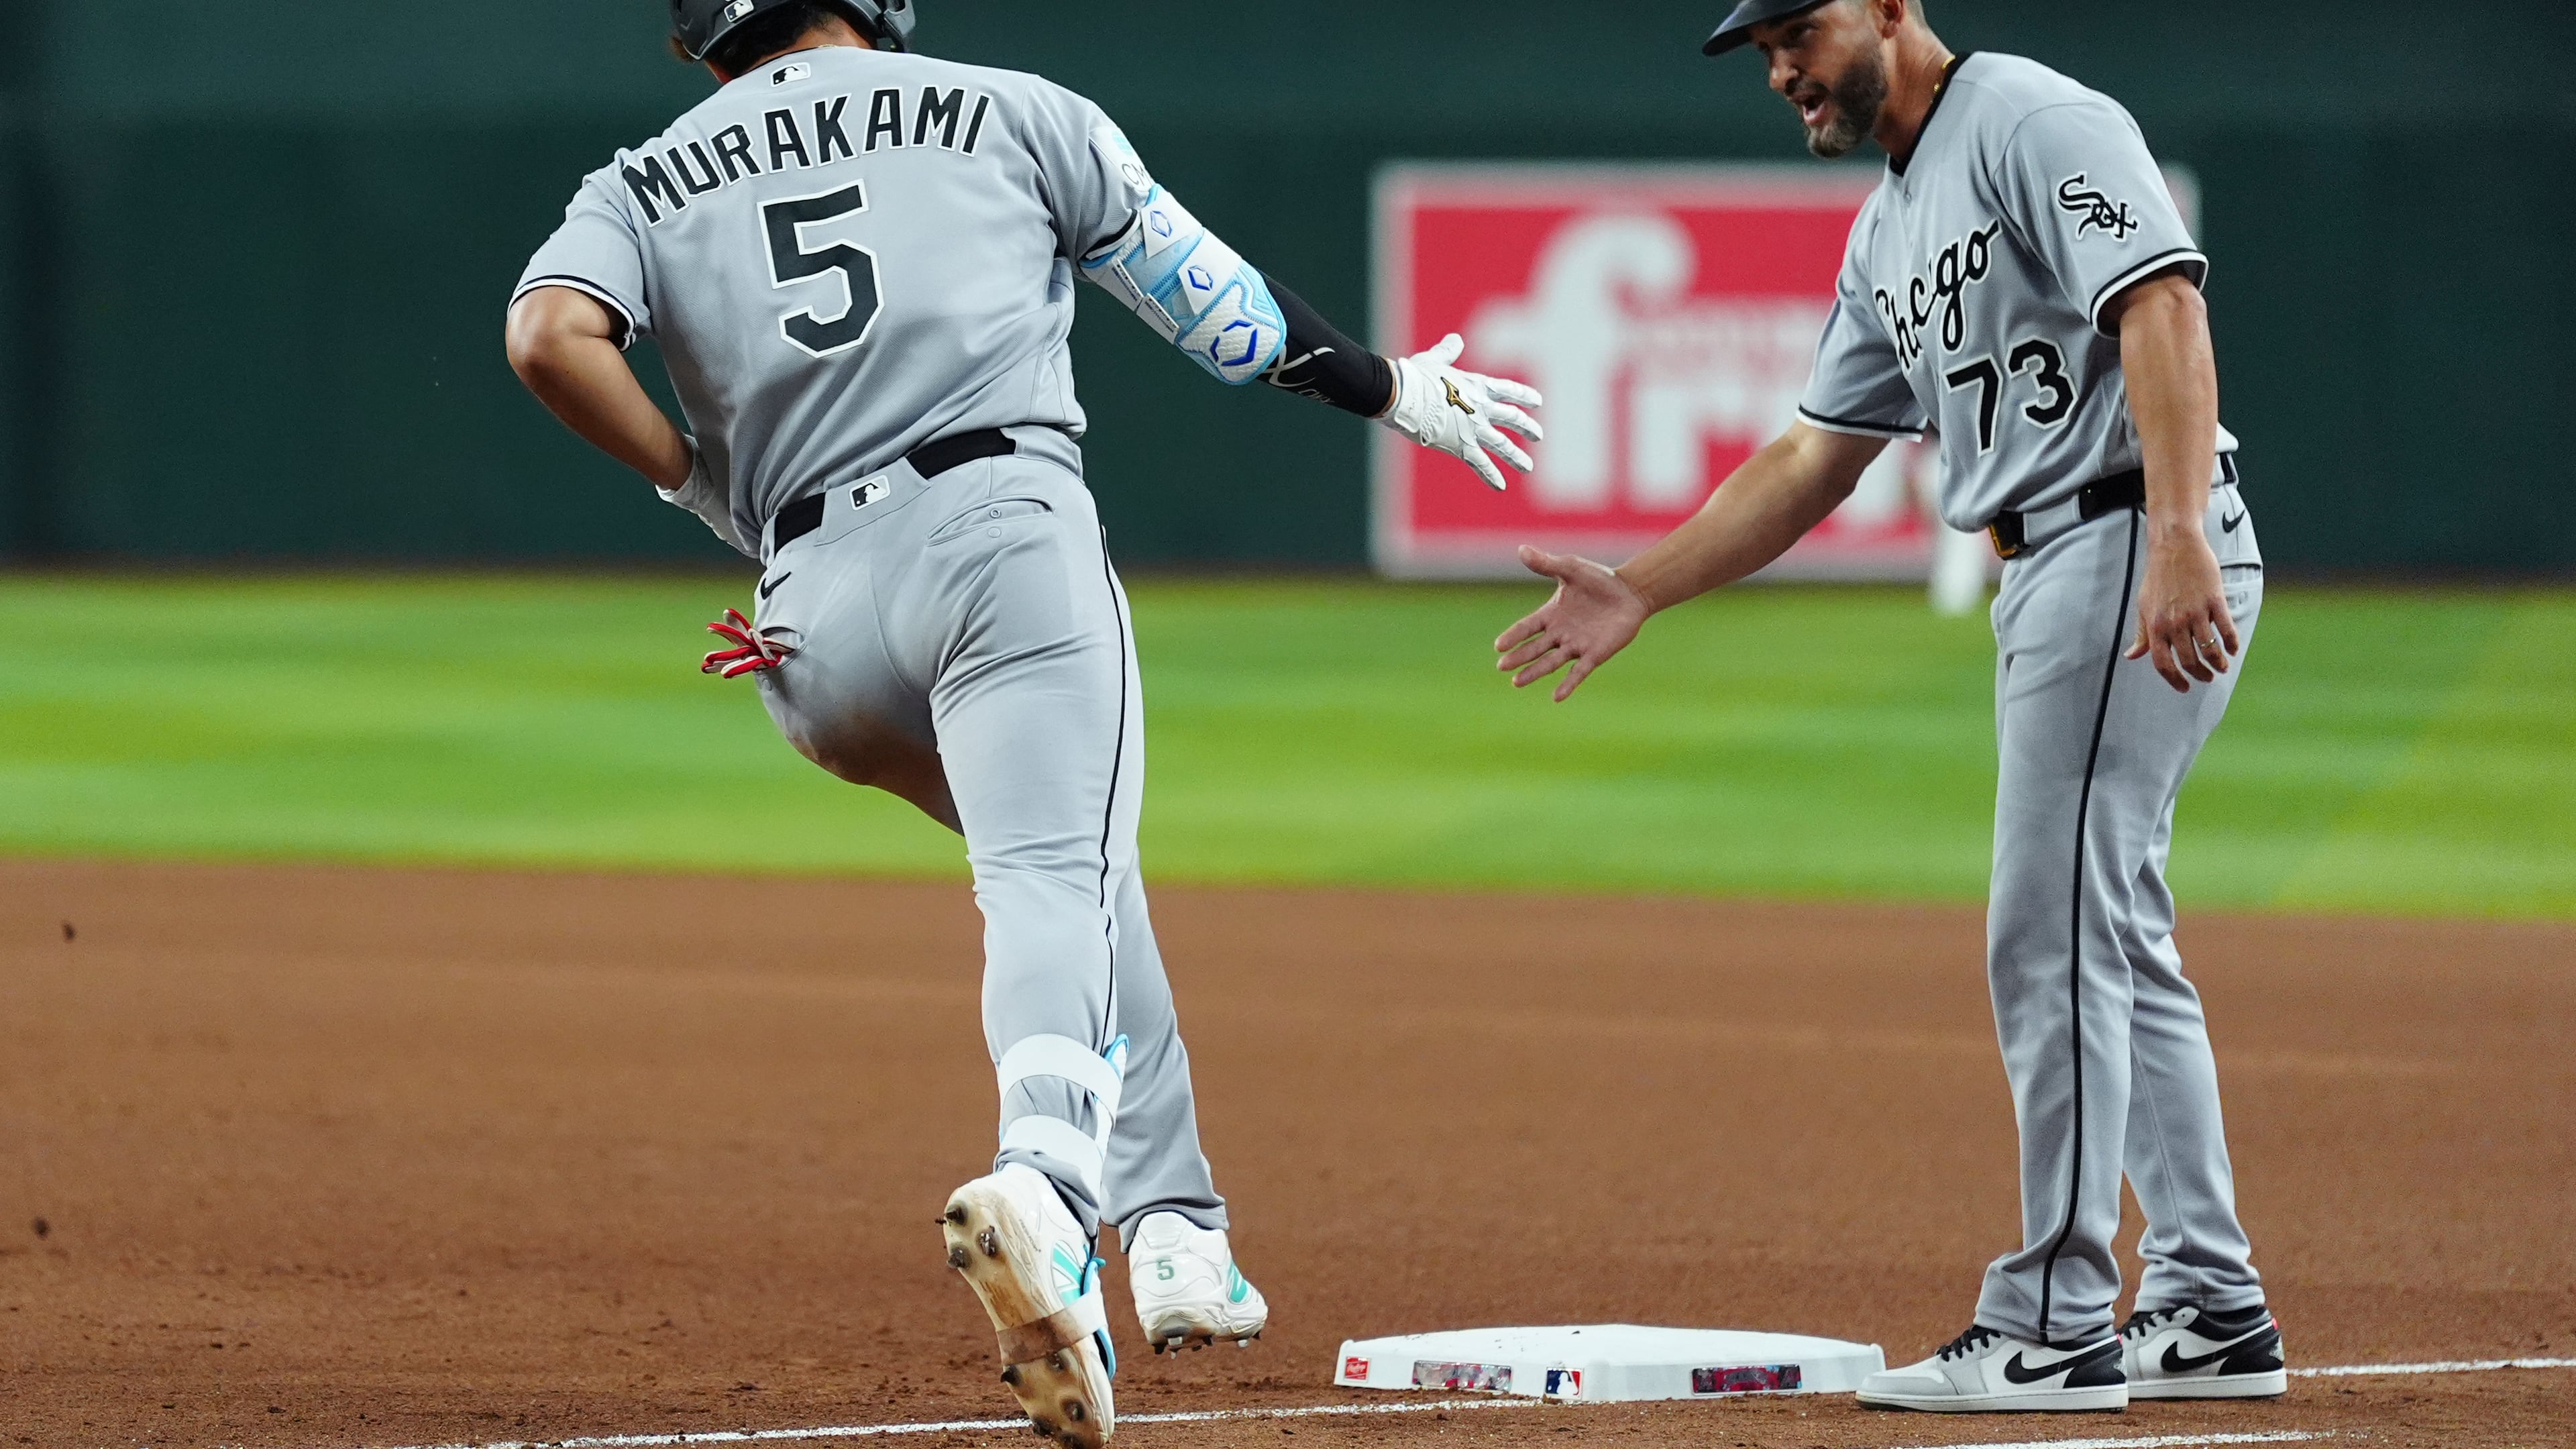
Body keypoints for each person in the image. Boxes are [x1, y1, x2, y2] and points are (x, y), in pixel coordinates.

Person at [502, 3, 1543, 1444]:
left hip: (807, 627)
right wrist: (1396, 387)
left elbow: (550, 336)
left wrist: (697, 483)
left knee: (1078, 868)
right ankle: (1053, 1190)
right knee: (1052, 877)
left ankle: (1180, 1234)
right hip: (995, 532)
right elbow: (1225, 316)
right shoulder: (1005, 107)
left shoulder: (642, 176)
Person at [1494, 0, 2281, 1414]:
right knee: (2110, 932)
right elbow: (1812, 456)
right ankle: (2212, 1303)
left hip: (2120, 537)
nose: (1784, 63)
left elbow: (2162, 297)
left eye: (1801, 26)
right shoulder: (1886, 227)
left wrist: (2171, 530)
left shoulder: (2031, 120)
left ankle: (2053, 1318)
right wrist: (1642, 589)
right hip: (2063, 562)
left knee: (2047, 938)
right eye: (1765, 47)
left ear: (1895, 7)